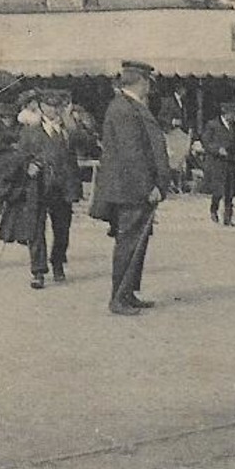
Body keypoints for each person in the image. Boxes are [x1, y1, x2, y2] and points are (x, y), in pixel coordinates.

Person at [89, 61, 170, 315]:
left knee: (137, 241)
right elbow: (132, 154)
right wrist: (150, 187)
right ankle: (119, 298)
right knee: (129, 242)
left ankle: (128, 293)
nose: (150, 86)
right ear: (141, 81)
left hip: (133, 188)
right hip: (132, 189)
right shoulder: (124, 108)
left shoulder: (129, 106)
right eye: (148, 81)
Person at [0, 89, 84, 289]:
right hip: (38, 186)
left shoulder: (69, 129)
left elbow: (86, 144)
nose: (53, 110)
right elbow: (19, 157)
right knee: (35, 229)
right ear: (42, 107)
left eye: (57, 106)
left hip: (63, 187)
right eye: (48, 106)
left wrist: (70, 123)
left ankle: (58, 261)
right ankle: (38, 271)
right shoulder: (30, 131)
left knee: (62, 229)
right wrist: (28, 166)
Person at [199, 103, 235, 224]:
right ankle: (214, 210)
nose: (233, 117)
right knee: (218, 190)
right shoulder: (213, 125)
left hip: (231, 161)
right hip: (217, 162)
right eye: (232, 114)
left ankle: (228, 217)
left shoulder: (234, 126)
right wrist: (217, 149)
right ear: (225, 114)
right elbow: (206, 141)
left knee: (230, 190)